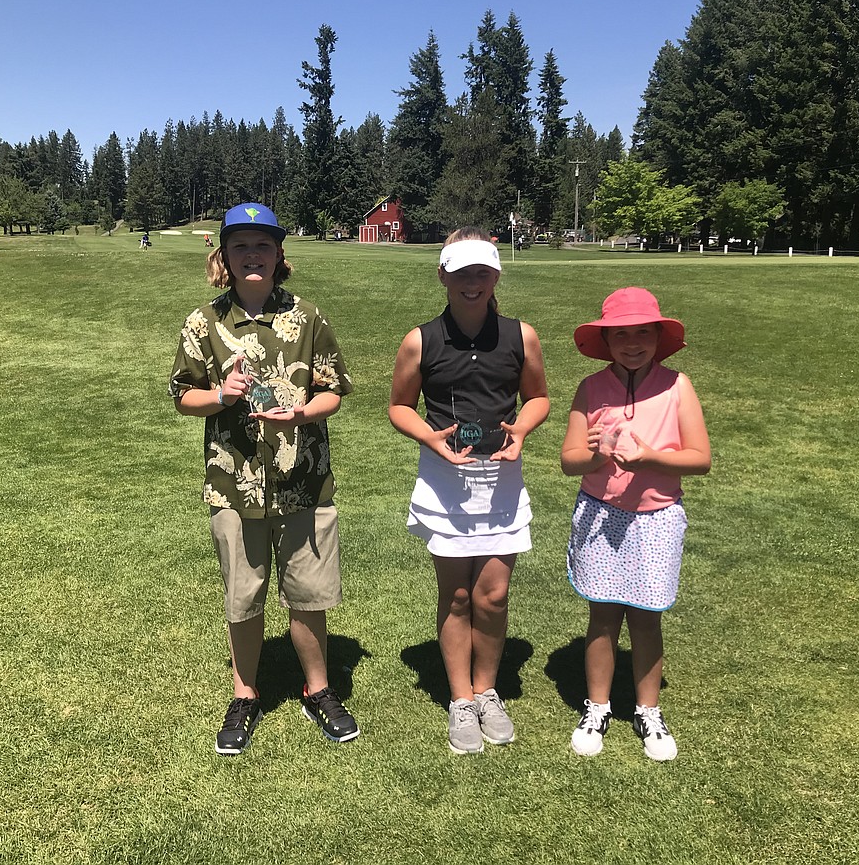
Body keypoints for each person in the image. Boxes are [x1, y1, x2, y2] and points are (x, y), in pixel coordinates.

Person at [169, 202, 359, 755]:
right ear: (224, 256)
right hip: (234, 483)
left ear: (280, 255)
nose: (252, 256)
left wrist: (300, 413)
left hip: (303, 478)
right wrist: (222, 396)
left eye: (263, 246)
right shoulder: (204, 322)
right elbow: (184, 396)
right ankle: (245, 693)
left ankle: (319, 689)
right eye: (240, 246)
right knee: (243, 596)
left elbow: (333, 392)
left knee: (309, 595)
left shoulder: (307, 317)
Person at [389, 228, 550, 754]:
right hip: (446, 484)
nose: (471, 282)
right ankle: (461, 699)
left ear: (496, 275)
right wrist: (429, 438)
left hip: (501, 482)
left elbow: (538, 398)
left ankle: (487, 690)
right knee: (457, 594)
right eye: (461, 273)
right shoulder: (421, 339)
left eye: (481, 272)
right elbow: (399, 406)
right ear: (443, 275)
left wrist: (522, 431)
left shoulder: (521, 335)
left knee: (494, 595)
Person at [560, 287, 711, 760]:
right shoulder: (591, 388)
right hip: (601, 514)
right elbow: (569, 461)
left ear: (658, 337)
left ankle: (648, 710)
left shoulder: (677, 386)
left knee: (646, 619)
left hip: (656, 518)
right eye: (620, 334)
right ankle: (598, 706)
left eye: (642, 332)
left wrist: (648, 456)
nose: (631, 342)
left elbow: (700, 459)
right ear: (604, 341)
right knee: (602, 615)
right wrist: (595, 454)